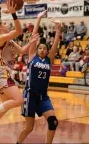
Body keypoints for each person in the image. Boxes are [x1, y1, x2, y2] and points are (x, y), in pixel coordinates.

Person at [0, 1, 39, 135]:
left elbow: (23, 51)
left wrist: (31, 42)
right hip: (2, 73)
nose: (7, 25)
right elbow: (18, 31)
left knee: (5, 105)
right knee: (19, 100)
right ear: (0, 27)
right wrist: (13, 13)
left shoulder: (10, 41)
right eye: (5, 24)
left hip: (3, 74)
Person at [17, 11, 61, 144]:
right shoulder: (32, 57)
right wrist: (38, 18)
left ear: (47, 51)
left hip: (43, 96)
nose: (42, 49)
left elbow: (55, 44)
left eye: (44, 48)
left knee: (53, 122)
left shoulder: (49, 59)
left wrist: (58, 29)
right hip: (30, 95)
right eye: (40, 48)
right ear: (36, 50)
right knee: (29, 128)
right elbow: (33, 37)